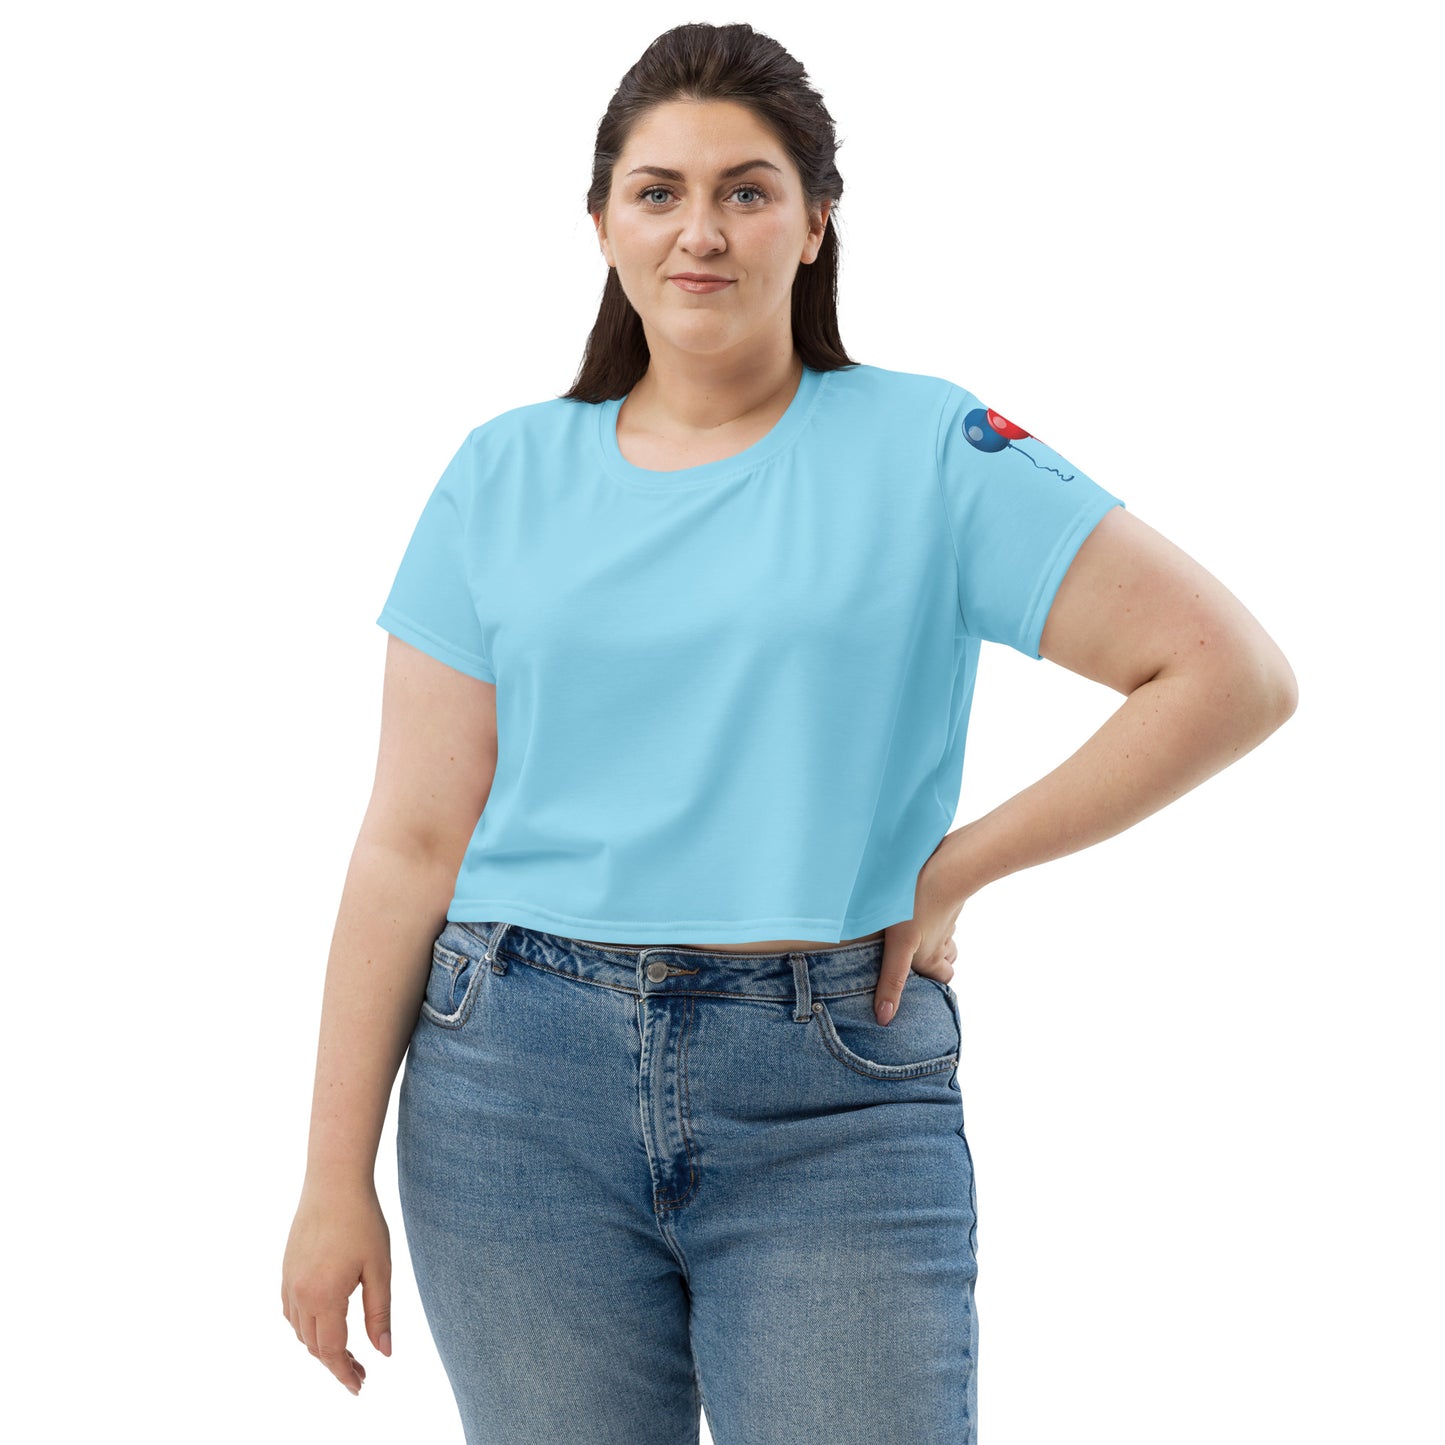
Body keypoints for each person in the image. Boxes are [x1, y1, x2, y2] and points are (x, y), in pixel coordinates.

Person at [281, 20, 1297, 1444]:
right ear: (600, 224)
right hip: (510, 1084)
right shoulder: (498, 474)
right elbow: (409, 839)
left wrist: (952, 868)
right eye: (658, 191)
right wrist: (334, 1177)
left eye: (746, 190)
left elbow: (1224, 672)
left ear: (816, 222)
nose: (701, 231)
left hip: (828, 1085)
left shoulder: (930, 451)